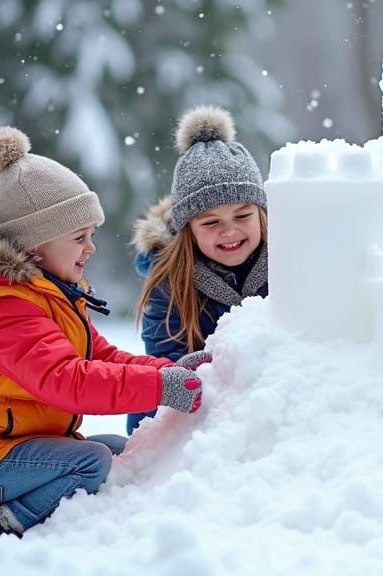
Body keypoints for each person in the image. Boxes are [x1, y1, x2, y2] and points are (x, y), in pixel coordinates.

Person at [0, 126, 209, 537]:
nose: (90, 248)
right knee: (91, 461)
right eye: (79, 237)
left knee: (119, 448)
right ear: (36, 246)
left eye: (91, 235)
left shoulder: (50, 295)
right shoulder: (3, 307)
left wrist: (167, 369)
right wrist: (160, 386)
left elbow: (101, 356)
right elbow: (66, 380)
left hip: (12, 446)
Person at [129, 106, 268, 434]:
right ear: (187, 228)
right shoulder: (168, 282)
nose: (230, 231)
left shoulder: (287, 260)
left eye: (243, 216)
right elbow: (164, 367)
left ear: (261, 213)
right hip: (185, 424)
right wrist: (219, 366)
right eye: (211, 222)